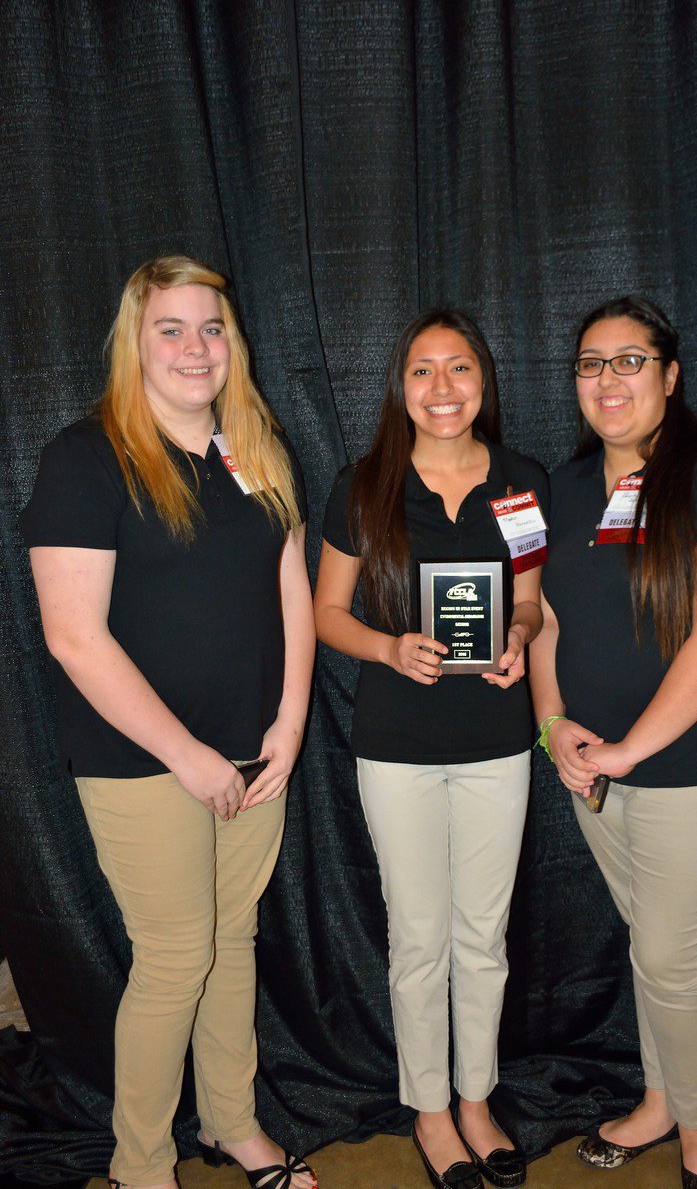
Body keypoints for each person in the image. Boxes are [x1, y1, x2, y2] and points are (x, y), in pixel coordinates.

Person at [21, 256, 317, 1189]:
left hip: (253, 750)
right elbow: (74, 638)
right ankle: (140, 1166)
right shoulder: (85, 455)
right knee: (177, 956)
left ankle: (232, 1122)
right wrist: (188, 757)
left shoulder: (257, 446)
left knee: (235, 941)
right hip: (142, 760)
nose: (196, 348)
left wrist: (292, 720)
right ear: (133, 343)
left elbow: (293, 592)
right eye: (171, 329)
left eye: (212, 328)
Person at [529, 297, 697, 1189]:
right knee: (654, 944)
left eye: (630, 361)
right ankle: (664, 1098)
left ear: (670, 377)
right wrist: (554, 729)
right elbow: (540, 622)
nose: (608, 380)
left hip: (695, 764)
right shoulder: (553, 491)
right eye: (591, 364)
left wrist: (630, 750)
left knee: (670, 954)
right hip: (593, 766)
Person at [314, 309, 548, 1189]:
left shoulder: (521, 483)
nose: (442, 387)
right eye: (422, 370)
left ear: (483, 382)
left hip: (495, 739)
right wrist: (387, 646)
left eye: (459, 369)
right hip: (397, 746)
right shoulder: (361, 484)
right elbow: (324, 613)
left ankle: (479, 1101)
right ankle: (430, 1111)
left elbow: (529, 601)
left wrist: (519, 637)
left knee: (482, 938)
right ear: (400, 386)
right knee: (418, 939)